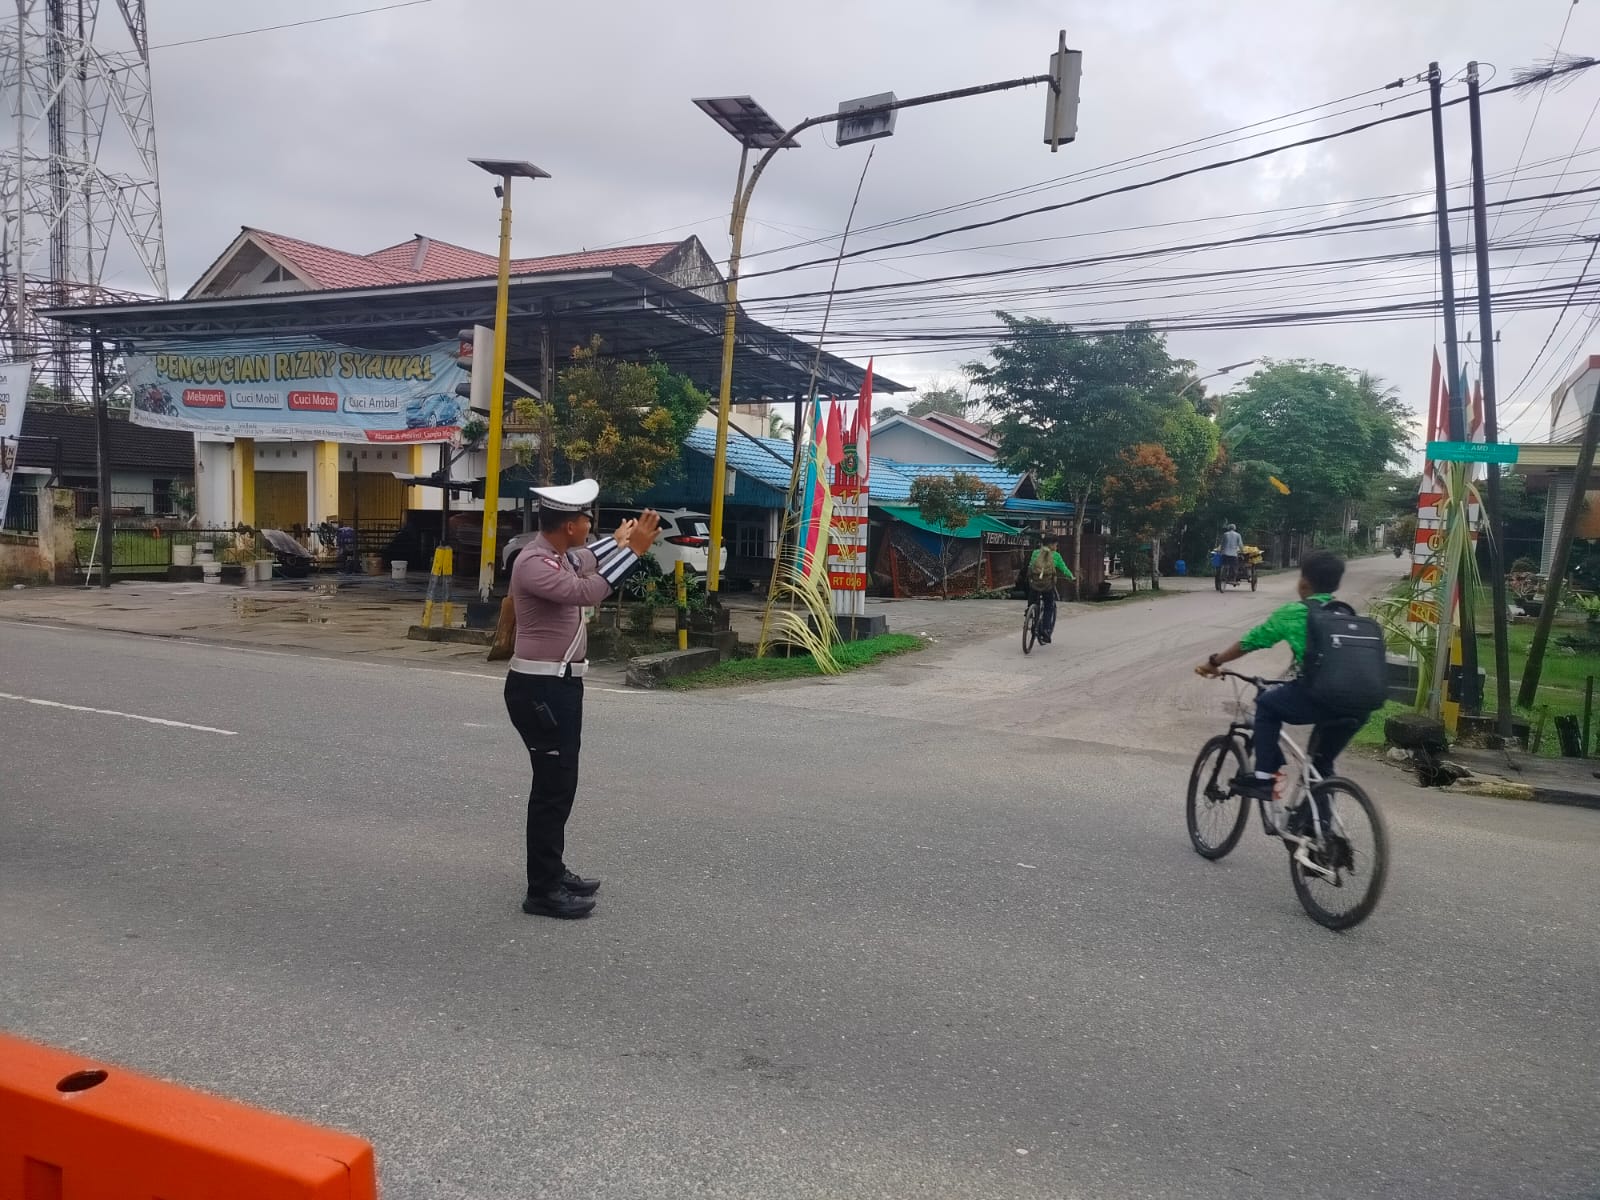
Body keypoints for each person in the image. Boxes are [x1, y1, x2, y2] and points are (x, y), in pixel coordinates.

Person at [504, 479, 658, 919]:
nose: (591, 525)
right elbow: (585, 590)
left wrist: (619, 541)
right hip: (540, 689)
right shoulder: (533, 562)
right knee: (552, 790)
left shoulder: (558, 554)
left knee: (560, 784)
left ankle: (552, 870)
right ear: (570, 524)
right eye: (587, 519)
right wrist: (635, 552)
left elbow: (589, 559)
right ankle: (543, 890)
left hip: (559, 686)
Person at [1194, 549, 1361, 835]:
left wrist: (1214, 662)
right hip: (1360, 702)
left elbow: (1251, 642)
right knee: (1322, 763)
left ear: (1304, 584)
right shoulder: (1346, 613)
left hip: (1321, 696)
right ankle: (1320, 836)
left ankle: (1263, 777)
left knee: (1268, 705)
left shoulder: (1296, 612)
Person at [1026, 540, 1074, 645]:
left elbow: (1030, 566)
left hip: (1034, 584)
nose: (1056, 547)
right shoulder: (1056, 556)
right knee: (1049, 606)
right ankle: (1046, 630)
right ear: (1052, 545)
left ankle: (1029, 610)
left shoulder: (1035, 553)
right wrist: (1071, 577)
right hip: (1047, 586)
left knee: (1034, 597)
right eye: (1056, 545)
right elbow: (1064, 569)